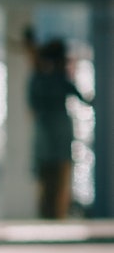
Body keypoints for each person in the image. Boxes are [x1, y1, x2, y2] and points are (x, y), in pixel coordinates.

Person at [24, 30, 90, 219]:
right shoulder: (58, 79)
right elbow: (84, 98)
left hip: (46, 134)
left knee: (47, 180)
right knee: (58, 179)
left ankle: (49, 216)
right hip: (57, 134)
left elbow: (32, 106)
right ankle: (56, 216)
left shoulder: (39, 78)